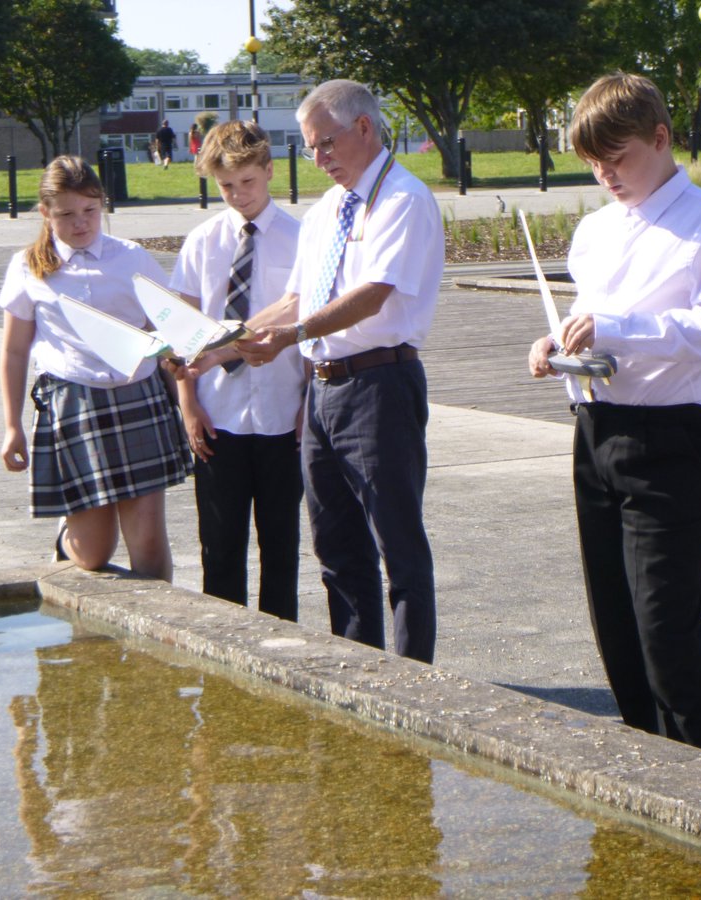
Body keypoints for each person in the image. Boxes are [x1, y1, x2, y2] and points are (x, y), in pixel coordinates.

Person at [527, 72, 701, 756]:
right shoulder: (595, 230)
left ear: (661, 138)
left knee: (667, 630)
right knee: (617, 629)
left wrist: (617, 327)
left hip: (672, 442)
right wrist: (553, 342)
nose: (606, 175)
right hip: (597, 433)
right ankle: (650, 775)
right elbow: (584, 317)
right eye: (594, 164)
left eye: (618, 158)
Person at [235, 79, 445, 663]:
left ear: (364, 129)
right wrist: (223, 343)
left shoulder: (402, 200)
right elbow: (301, 297)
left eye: (326, 144)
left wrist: (293, 336)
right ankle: (357, 666)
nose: (319, 159)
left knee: (397, 544)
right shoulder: (327, 208)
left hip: (380, 383)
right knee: (335, 546)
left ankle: (411, 681)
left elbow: (374, 293)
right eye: (309, 148)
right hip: (324, 390)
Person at [0, 155, 190, 577]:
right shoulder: (28, 266)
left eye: (89, 211)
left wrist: (189, 400)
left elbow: (171, 333)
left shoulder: (132, 258)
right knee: (94, 554)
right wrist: (12, 425)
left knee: (149, 543)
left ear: (102, 203)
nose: (81, 224)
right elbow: (14, 351)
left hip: (138, 396)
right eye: (66, 214)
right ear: (46, 213)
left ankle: (157, 630)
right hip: (74, 402)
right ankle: (68, 539)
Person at [168, 120, 305, 620]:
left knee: (281, 548)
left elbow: (313, 327)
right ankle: (227, 648)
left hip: (281, 412)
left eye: (247, 182)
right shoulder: (203, 241)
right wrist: (187, 406)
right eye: (226, 186)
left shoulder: (300, 238)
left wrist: (308, 406)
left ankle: (282, 646)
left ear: (269, 171)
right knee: (220, 547)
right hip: (217, 416)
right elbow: (181, 334)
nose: (238, 194)